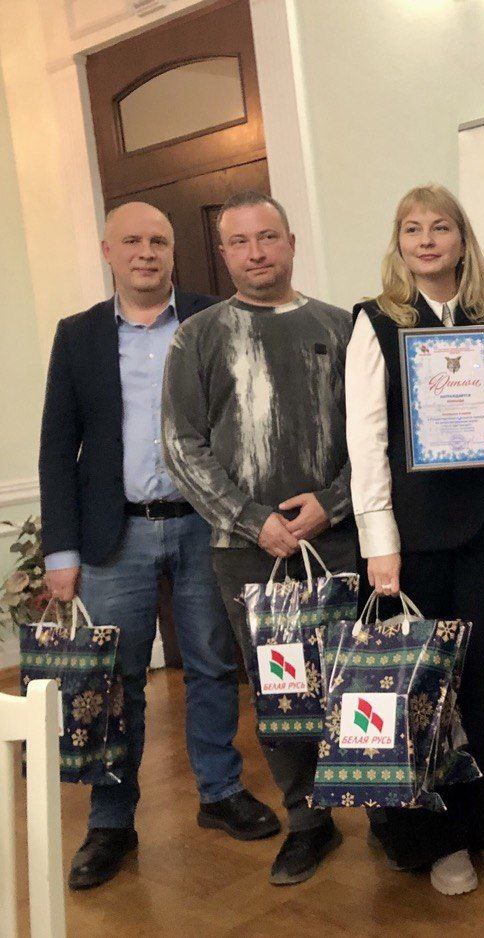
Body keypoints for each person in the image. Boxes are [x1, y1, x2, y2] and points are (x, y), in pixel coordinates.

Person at [38, 201, 278, 891]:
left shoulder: (215, 317)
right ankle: (111, 822)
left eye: (159, 241)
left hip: (207, 524)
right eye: (133, 242)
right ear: (108, 252)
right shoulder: (79, 335)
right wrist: (60, 553)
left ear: (175, 251)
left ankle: (219, 793)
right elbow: (57, 446)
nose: (147, 252)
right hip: (116, 532)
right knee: (115, 682)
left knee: (212, 664)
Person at [161, 190, 357, 886]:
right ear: (223, 254)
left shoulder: (341, 327)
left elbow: (377, 434)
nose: (256, 252)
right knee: (284, 695)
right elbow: (181, 445)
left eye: (268, 237)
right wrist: (252, 519)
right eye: (240, 242)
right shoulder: (198, 336)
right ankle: (308, 821)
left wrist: (331, 504)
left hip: (338, 541)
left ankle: (388, 811)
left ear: (291, 242)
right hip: (247, 553)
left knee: (359, 682)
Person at [346, 183, 484, 894]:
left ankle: (480, 812)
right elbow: (365, 438)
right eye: (412, 229)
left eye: (440, 228)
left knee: (480, 672)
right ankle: (432, 834)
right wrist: (379, 540)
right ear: (399, 244)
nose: (426, 240)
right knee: (423, 682)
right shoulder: (375, 322)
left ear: (462, 240)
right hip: (412, 534)